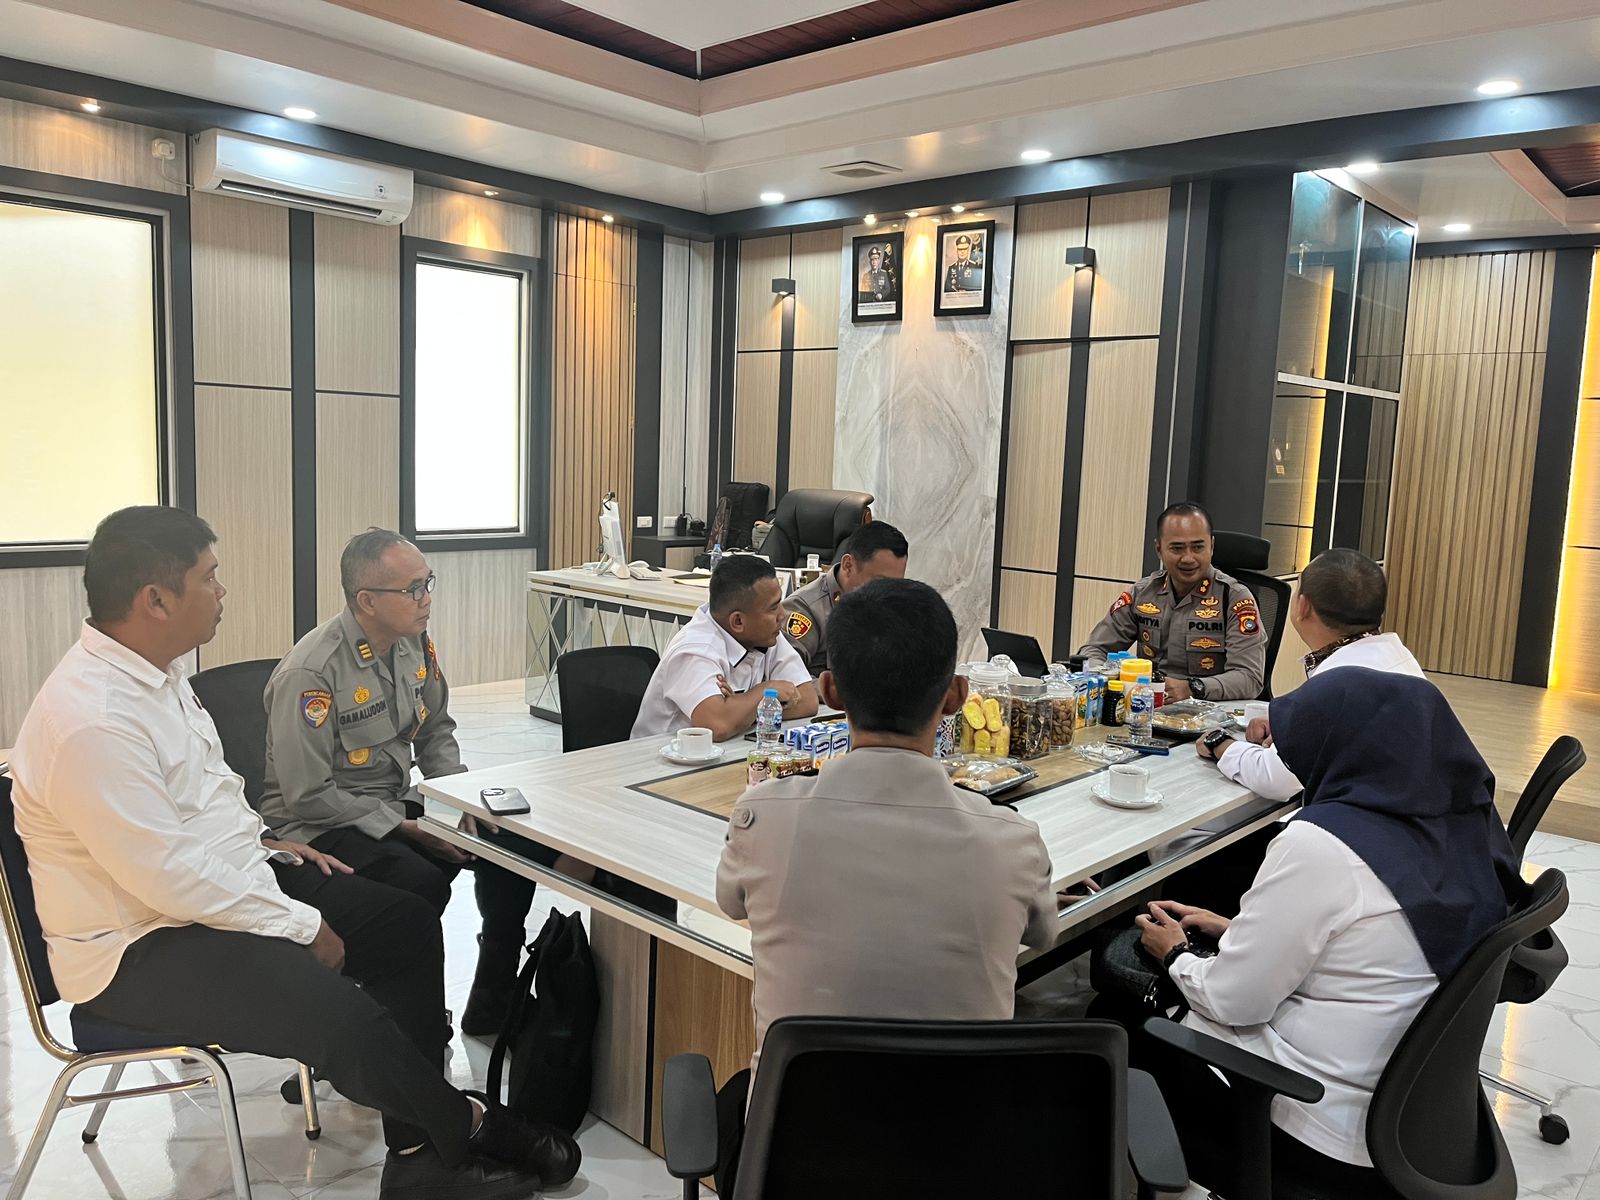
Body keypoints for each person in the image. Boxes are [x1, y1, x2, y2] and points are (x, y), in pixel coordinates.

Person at [8, 507, 579, 1199]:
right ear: (155, 599)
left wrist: (262, 842)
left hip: (213, 892)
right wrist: (299, 924)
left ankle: (417, 1155)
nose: (222, 591)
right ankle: (470, 1125)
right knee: (337, 1013)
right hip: (139, 946)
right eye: (209, 578)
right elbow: (165, 876)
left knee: (402, 924)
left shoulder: (156, 677)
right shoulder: (93, 719)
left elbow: (206, 800)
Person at [713, 578, 1059, 1192]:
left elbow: (729, 900)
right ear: (956, 697)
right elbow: (1044, 934)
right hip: (963, 1160)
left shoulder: (762, 817)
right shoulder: (1012, 839)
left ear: (829, 691)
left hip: (793, 1156)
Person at [1132, 667, 1523, 1192]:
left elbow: (1233, 1002)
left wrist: (1176, 954)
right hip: (1413, 1121)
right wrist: (1241, 932)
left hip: (1315, 1123)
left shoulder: (1321, 844)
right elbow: (1369, 939)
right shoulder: (1464, 822)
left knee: (1120, 1018)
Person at [258, 528, 548, 1037]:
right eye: (412, 589)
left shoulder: (414, 643)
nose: (426, 599)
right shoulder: (312, 673)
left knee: (508, 842)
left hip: (393, 802)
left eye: (427, 583)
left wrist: (457, 804)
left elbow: (436, 730)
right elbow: (308, 795)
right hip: (320, 825)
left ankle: (493, 995)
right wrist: (407, 828)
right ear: (367, 600)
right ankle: (396, 1015)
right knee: (420, 881)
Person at [1198, 547, 1423, 798]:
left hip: (1366, 813)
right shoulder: (1399, 657)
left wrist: (1220, 743)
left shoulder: (1334, 684)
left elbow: (1274, 779)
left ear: (1302, 606)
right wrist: (1290, 725)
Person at [1076, 501, 1265, 701]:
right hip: (1146, 708)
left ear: (1212, 546)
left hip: (1209, 711)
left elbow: (1249, 678)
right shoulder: (1142, 593)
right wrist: (1107, 680)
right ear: (1159, 549)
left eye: (1198, 547)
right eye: (1177, 548)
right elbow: (1094, 650)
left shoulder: (1234, 598)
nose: (1188, 558)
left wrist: (1193, 688)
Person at [631, 555, 818, 741]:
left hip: (722, 751)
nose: (783, 614)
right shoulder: (696, 649)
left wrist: (740, 709)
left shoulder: (765, 634)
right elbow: (717, 726)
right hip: (657, 756)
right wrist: (765, 691)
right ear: (738, 621)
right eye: (773, 608)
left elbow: (808, 700)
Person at [781, 521, 908, 676]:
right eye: (880, 582)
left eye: (896, 584)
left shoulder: (894, 605)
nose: (888, 592)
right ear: (848, 566)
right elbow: (787, 677)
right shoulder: (806, 609)